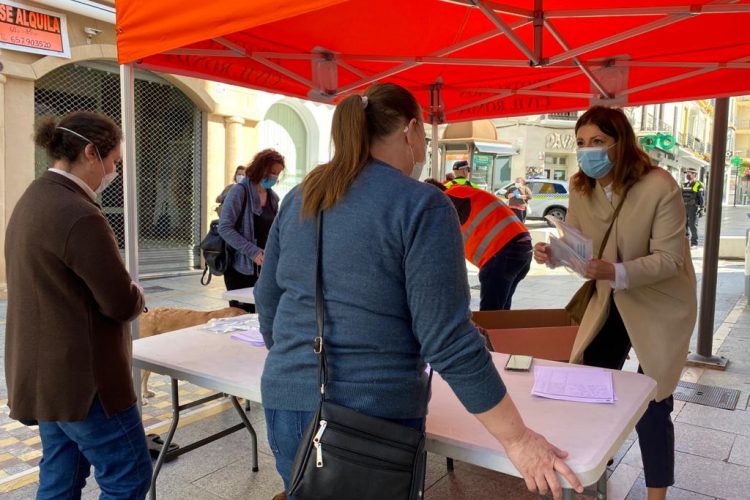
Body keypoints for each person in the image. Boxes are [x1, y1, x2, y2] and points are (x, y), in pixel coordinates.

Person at [255, 83, 582, 500]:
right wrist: (517, 439)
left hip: (286, 400)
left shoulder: (303, 195)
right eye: (424, 139)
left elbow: (268, 299)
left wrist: (295, 361)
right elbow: (447, 339)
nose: (423, 150)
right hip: (373, 415)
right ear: (410, 132)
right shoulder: (420, 205)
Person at [534, 106, 696, 500]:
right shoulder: (580, 187)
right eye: (581, 143)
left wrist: (616, 272)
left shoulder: (660, 185)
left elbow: (671, 259)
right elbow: (580, 249)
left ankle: (656, 492)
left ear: (621, 143)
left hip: (660, 303)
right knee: (594, 382)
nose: (588, 151)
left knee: (654, 397)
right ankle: (593, 472)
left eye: (598, 142)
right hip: (610, 299)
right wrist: (555, 256)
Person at [4, 111, 151, 499]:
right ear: (90, 152)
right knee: (129, 476)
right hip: (86, 383)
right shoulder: (80, 214)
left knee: (60, 479)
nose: (113, 172)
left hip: (46, 378)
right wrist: (137, 292)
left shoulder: (33, 199)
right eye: (114, 162)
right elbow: (120, 302)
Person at [425, 178, 532, 310]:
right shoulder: (461, 192)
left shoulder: (446, 200)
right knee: (501, 312)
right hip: (521, 248)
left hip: (502, 252)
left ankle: (495, 329)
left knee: (490, 315)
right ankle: (502, 329)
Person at [218, 149, 284, 313]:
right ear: (260, 168)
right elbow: (224, 227)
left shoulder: (273, 198)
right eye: (272, 172)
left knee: (261, 316)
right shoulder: (239, 191)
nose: (274, 177)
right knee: (241, 316)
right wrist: (252, 252)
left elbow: (275, 230)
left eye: (277, 173)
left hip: (264, 269)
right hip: (240, 268)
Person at [682, 170, 704, 247]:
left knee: (692, 225)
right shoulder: (685, 184)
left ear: (694, 174)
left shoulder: (698, 184)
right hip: (684, 207)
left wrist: (701, 208)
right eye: (686, 173)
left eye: (689, 173)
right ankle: (685, 242)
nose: (687, 175)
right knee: (684, 225)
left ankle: (694, 243)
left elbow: (701, 197)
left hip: (693, 207)